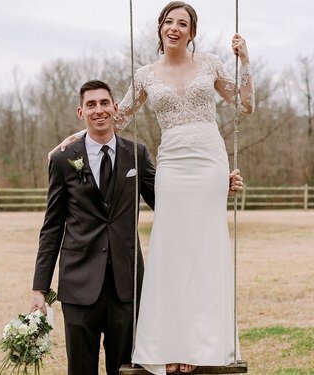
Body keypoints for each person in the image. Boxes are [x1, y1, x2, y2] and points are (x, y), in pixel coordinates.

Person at [51, 1, 254, 374]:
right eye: (168, 21)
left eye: (183, 23)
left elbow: (244, 105)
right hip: (173, 163)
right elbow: (119, 115)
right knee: (171, 249)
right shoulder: (145, 74)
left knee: (206, 248)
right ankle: (172, 345)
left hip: (209, 160)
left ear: (192, 33)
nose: (174, 28)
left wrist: (246, 60)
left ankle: (204, 347)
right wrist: (79, 135)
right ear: (160, 28)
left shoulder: (209, 64)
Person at [30, 80, 156, 375]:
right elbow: (52, 227)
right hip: (78, 287)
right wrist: (39, 287)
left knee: (125, 371)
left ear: (115, 108)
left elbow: (167, 200)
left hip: (125, 287)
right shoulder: (63, 160)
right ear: (80, 112)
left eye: (104, 103)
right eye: (91, 105)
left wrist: (214, 187)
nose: (98, 110)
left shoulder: (136, 154)